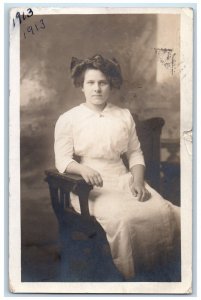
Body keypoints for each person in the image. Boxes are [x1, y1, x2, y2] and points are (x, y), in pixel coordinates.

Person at [54, 54, 180, 280]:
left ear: (111, 85)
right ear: (81, 86)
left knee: (164, 211)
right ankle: (132, 276)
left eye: (103, 83)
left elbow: (134, 153)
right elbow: (62, 160)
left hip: (123, 179)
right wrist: (84, 170)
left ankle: (163, 273)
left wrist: (138, 181)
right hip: (89, 187)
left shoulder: (123, 116)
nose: (97, 89)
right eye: (90, 83)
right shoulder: (69, 118)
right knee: (124, 219)